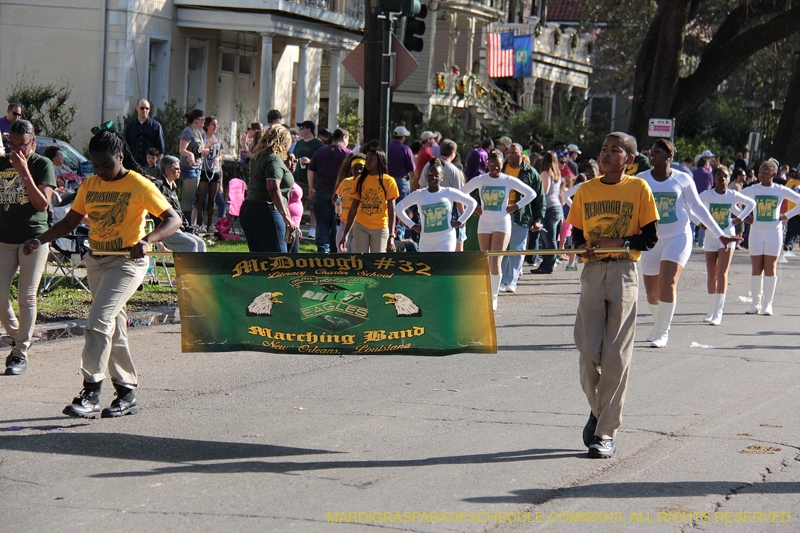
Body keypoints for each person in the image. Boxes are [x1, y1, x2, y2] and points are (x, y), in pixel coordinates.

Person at [23, 129, 181, 418]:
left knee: (97, 321)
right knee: (113, 325)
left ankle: (91, 392)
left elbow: (173, 218)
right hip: (96, 261)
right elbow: (69, 222)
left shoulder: (139, 184)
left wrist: (147, 241)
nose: (101, 172)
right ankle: (126, 392)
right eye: (96, 166)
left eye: (107, 165)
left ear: (120, 157)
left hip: (126, 263)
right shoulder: (91, 185)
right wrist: (40, 240)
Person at [567, 132, 660, 459]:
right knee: (588, 352)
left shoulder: (638, 189)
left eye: (614, 150)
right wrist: (581, 247)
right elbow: (576, 235)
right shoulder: (586, 190)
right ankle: (598, 409)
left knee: (616, 356)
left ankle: (606, 432)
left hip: (623, 272)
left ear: (629, 160)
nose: (606, 154)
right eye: (603, 149)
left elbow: (648, 238)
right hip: (592, 273)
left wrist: (617, 243)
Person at [638, 139, 737, 348]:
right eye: (651, 151)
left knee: (668, 281)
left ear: (669, 157)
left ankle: (663, 332)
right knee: (651, 290)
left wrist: (720, 234)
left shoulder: (682, 179)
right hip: (650, 239)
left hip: (678, 237)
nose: (651, 155)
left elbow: (699, 209)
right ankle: (657, 325)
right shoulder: (641, 180)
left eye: (657, 152)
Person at [0, 120, 56, 376]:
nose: (17, 150)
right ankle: (18, 336)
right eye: (12, 144)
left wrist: (24, 171)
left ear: (33, 142)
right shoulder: (2, 163)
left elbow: (42, 204)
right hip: (4, 239)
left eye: (23, 145)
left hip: (33, 239)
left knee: (26, 296)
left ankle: (19, 353)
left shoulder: (42, 164)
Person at [462, 150, 536, 310]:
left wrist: (515, 206)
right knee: (485, 259)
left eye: (498, 165)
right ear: (487, 163)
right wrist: (474, 207)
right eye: (492, 164)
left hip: (502, 223)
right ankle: (485, 293)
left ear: (503, 165)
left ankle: (493, 298)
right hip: (484, 223)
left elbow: (531, 193)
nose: (495, 168)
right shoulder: (481, 179)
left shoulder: (508, 180)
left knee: (496, 260)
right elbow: (462, 193)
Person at [697, 167, 755, 325]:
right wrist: (699, 224)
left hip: (728, 238)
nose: (722, 180)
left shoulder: (732, 195)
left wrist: (738, 219)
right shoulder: (707, 195)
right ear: (714, 179)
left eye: (725, 177)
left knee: (722, 273)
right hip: (710, 237)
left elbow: (751, 203)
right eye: (719, 176)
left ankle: (718, 312)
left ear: (729, 179)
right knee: (711, 274)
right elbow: (690, 206)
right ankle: (710, 309)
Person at [741, 160, 800, 315]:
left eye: (765, 172)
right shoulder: (753, 189)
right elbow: (733, 200)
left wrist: (785, 216)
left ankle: (768, 304)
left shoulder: (780, 190)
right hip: (756, 233)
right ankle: (756, 303)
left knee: (770, 268)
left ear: (774, 174)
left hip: (774, 234)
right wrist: (743, 217)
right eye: (760, 171)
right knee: (756, 268)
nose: (761, 174)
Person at [395, 158, 477, 252]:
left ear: (442, 177)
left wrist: (460, 221)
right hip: (425, 241)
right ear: (426, 176)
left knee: (442, 265)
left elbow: (472, 203)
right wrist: (413, 225)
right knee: (427, 266)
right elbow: (398, 208)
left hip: (446, 239)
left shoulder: (449, 192)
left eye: (436, 175)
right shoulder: (419, 194)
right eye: (430, 174)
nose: (433, 177)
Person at [239, 126, 298, 253]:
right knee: (277, 261)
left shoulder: (258, 157)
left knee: (259, 260)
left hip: (249, 208)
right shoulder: (273, 159)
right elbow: (272, 188)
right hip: (266, 211)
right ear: (283, 142)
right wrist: (286, 217)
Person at [500, 143, 544, 292]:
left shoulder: (530, 173)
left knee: (517, 248)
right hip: (500, 214)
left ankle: (511, 281)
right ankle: (501, 280)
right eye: (508, 153)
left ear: (521, 155)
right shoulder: (500, 169)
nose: (510, 155)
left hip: (521, 215)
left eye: (514, 153)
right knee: (502, 247)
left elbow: (539, 196)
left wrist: (538, 219)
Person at [338, 148, 399, 253]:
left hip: (380, 227)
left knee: (378, 262)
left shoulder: (389, 181)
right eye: (367, 159)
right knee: (361, 260)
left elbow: (392, 209)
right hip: (361, 226)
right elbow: (353, 208)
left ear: (379, 161)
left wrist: (391, 235)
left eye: (371, 159)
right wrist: (346, 234)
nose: (368, 161)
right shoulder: (359, 180)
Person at [309, 128, 350, 253]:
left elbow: (310, 169)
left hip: (321, 193)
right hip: (338, 196)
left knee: (322, 223)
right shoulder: (347, 153)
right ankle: (334, 251)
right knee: (337, 223)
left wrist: (311, 187)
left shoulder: (320, 151)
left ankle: (322, 251)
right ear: (343, 138)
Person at [155, 156, 207, 253]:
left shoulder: (173, 186)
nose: (179, 171)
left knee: (201, 243)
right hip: (166, 228)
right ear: (166, 170)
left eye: (180, 169)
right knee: (191, 244)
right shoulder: (159, 185)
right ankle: (188, 268)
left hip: (179, 228)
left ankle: (201, 268)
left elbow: (178, 212)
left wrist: (187, 227)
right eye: (176, 169)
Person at [531, 151, 564, 275]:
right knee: (552, 239)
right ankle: (547, 264)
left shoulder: (545, 173)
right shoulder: (557, 174)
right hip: (557, 207)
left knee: (548, 240)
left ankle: (547, 266)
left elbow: (543, 192)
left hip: (549, 208)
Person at [292, 120, 324, 239]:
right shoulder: (299, 143)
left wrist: (310, 161)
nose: (300, 130)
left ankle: (313, 228)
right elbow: (294, 156)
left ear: (309, 129)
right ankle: (296, 225)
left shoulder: (317, 144)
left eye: (302, 128)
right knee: (297, 203)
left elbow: (321, 160)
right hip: (298, 177)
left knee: (312, 205)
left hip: (311, 179)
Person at [178, 109, 207, 222]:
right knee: (188, 198)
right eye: (202, 120)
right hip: (188, 168)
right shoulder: (187, 132)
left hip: (197, 168)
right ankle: (185, 223)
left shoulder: (198, 133)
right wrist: (189, 154)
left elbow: (198, 149)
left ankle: (186, 222)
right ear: (196, 120)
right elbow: (181, 149)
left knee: (191, 197)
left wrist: (203, 152)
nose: (204, 122)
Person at [334, 152, 365, 253]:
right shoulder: (345, 182)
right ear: (351, 170)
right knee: (342, 250)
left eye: (362, 168)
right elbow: (336, 198)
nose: (359, 171)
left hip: (360, 223)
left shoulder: (367, 183)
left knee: (356, 251)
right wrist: (336, 198)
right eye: (356, 168)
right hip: (344, 222)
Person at [197, 116, 223, 232]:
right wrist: (204, 152)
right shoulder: (202, 139)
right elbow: (198, 151)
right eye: (213, 124)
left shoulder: (218, 140)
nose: (215, 127)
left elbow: (220, 154)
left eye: (216, 125)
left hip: (214, 171)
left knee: (212, 199)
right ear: (207, 126)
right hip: (204, 170)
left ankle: (209, 225)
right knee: (202, 198)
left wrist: (218, 158)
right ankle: (199, 223)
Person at [124, 99, 165, 168]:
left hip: (149, 167)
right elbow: (125, 147)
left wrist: (156, 168)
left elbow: (160, 150)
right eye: (142, 108)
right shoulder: (130, 126)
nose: (144, 110)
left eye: (147, 108)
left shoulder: (156, 126)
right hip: (133, 166)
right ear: (137, 109)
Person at [387, 126, 415, 202]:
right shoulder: (406, 149)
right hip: (401, 180)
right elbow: (412, 167)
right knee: (402, 206)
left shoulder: (386, 146)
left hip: (388, 180)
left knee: (389, 204)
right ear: (402, 138)